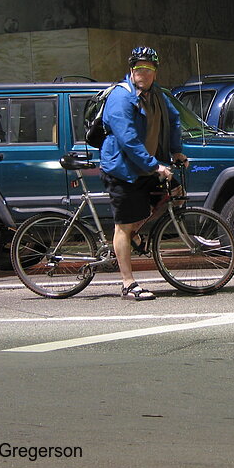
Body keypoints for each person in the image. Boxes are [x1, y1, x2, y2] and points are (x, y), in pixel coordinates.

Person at [99, 46, 188, 301]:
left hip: (146, 165)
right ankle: (127, 284)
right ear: (131, 70)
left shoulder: (157, 94)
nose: (144, 72)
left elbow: (174, 119)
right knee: (123, 226)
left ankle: (136, 234)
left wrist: (176, 151)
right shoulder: (121, 97)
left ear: (155, 73)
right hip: (123, 169)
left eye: (148, 68)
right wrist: (155, 165)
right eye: (139, 68)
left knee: (176, 192)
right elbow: (128, 139)